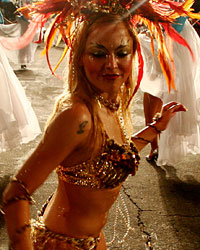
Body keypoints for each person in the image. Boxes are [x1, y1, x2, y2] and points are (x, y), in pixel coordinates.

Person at [1, 0, 197, 249]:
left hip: (93, 241)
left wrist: (156, 128)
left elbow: (115, 155)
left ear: (134, 55)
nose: (112, 64)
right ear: (80, 58)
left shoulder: (108, 102)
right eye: (98, 53)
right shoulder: (77, 116)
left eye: (121, 53)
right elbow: (16, 193)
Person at [139, 16, 200, 166]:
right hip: (153, 32)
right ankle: (154, 146)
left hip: (174, 34)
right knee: (152, 87)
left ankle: (159, 144)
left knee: (164, 87)